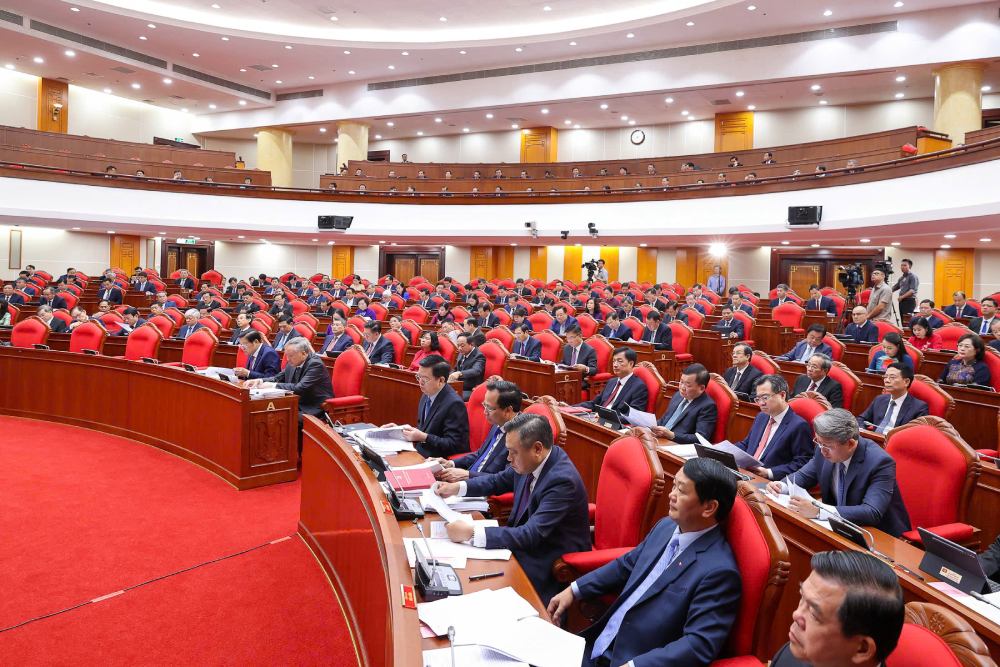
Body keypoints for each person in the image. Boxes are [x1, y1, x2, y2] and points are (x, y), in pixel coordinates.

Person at [548, 458, 741, 666]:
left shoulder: (719, 572)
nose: (671, 494)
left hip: (631, 660)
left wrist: (636, 665)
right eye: (674, 484)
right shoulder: (666, 527)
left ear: (709, 508)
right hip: (596, 645)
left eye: (681, 491)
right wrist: (575, 589)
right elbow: (626, 565)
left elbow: (698, 644)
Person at [436, 413, 590, 605]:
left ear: (537, 449)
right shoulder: (531, 460)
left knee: (481, 590)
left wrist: (471, 532)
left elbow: (531, 534)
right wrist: (456, 488)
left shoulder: (562, 480)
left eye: (513, 452)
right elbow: (497, 480)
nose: (508, 458)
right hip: (524, 545)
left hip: (549, 560)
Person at [768, 408, 911, 536]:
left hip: (877, 535)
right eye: (818, 442)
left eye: (827, 446)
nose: (822, 450)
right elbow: (803, 476)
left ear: (850, 444)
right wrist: (781, 486)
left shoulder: (880, 462)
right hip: (838, 527)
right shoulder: (823, 448)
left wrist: (819, 511)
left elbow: (871, 512)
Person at [770, 551, 904, 667]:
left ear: (862, 649)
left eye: (813, 613)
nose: (796, 614)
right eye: (802, 597)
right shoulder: (790, 658)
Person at [245, 338, 334, 448]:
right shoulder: (293, 362)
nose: (288, 359)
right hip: (295, 402)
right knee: (265, 413)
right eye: (287, 355)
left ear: (304, 353)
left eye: (291, 356)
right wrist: (260, 381)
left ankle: (287, 453)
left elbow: (299, 388)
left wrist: (273, 385)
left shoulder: (315, 364)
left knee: (281, 418)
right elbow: (278, 378)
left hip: (313, 406)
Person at [433, 379, 522, 481]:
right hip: (470, 480)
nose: (484, 412)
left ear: (508, 410)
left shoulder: (520, 437)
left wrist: (468, 475)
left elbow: (506, 479)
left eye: (489, 408)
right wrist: (451, 463)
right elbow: (481, 454)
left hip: (486, 491)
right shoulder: (499, 422)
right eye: (484, 405)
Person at [734, 374, 813, 479]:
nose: (761, 403)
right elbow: (747, 444)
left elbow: (802, 463)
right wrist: (724, 451)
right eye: (757, 399)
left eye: (765, 398)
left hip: (770, 483)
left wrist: (769, 472)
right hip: (746, 474)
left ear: (782, 395)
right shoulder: (761, 417)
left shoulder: (799, 426)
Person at [393, 355, 469, 457]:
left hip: (436, 459)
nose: (420, 382)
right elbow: (425, 429)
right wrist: (399, 431)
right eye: (418, 377)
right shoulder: (427, 394)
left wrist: (424, 437)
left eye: (425, 379)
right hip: (419, 452)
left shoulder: (454, 404)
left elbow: (455, 445)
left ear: (441, 380)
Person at [856, 363, 929, 434]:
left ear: (906, 382)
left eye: (892, 377)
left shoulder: (919, 407)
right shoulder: (879, 399)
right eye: (885, 377)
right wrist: (864, 432)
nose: (887, 380)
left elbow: (916, 435)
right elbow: (861, 419)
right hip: (872, 441)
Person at [653, 364, 718, 443]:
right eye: (681, 382)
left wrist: (672, 435)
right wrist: (651, 425)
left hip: (677, 446)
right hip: (660, 440)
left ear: (701, 388)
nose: (682, 387)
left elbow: (701, 438)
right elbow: (664, 420)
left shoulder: (707, 406)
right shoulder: (678, 395)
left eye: (688, 385)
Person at [578, 347, 648, 413]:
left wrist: (605, 417)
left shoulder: (639, 387)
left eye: (620, 361)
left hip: (614, 423)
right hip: (598, 418)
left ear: (631, 363)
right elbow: (594, 403)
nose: (615, 365)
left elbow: (632, 415)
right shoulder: (612, 381)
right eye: (614, 361)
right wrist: (571, 408)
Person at [449, 332, 486, 400]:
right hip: (458, 385)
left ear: (471, 344)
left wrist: (459, 373)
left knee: (449, 397)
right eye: (458, 345)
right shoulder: (462, 353)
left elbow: (476, 371)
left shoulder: (479, 356)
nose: (459, 348)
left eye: (462, 346)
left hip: (470, 388)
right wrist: (450, 376)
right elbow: (455, 369)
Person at [891, 259, 919, 324]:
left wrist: (902, 297)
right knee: (903, 320)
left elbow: (912, 290)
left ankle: (909, 333)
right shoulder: (902, 278)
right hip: (902, 301)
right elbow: (896, 287)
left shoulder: (913, 276)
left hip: (909, 301)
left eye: (905, 265)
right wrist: (887, 290)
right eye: (901, 265)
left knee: (908, 321)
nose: (902, 267)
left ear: (910, 266)